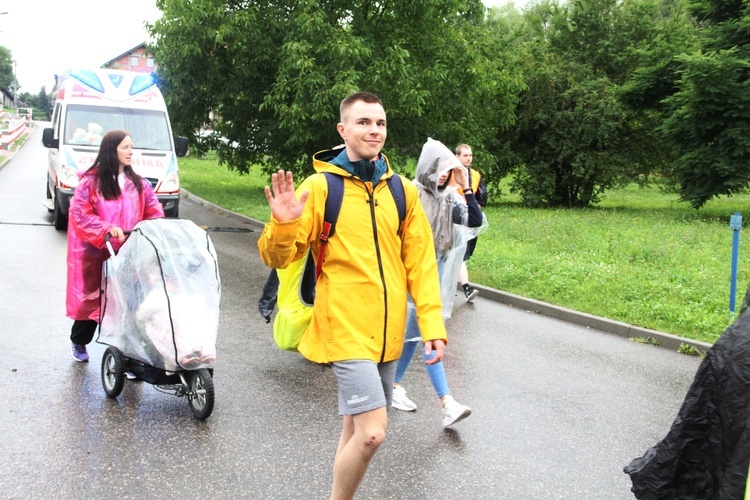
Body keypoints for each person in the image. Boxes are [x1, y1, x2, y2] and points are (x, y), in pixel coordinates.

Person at [257, 92, 448, 500]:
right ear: (343, 130)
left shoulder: (402, 192)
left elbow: (421, 264)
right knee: (373, 434)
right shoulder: (321, 187)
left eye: (379, 123)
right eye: (363, 122)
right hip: (343, 327)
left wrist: (432, 324)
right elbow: (278, 256)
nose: (373, 130)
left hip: (388, 331)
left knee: (355, 429)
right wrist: (283, 223)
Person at [390, 138, 483, 427]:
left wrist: (465, 186)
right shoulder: (409, 195)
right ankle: (447, 402)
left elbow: (475, 220)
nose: (443, 174)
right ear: (427, 167)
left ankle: (392, 385)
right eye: (440, 168)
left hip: (434, 278)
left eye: (448, 169)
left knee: (416, 333)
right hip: (409, 276)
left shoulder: (449, 198)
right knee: (426, 333)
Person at [67, 129, 164, 364]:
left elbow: (153, 211)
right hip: (96, 252)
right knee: (92, 300)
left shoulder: (138, 184)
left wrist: (152, 228)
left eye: (131, 146)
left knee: (131, 302)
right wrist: (105, 228)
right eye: (125, 147)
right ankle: (79, 340)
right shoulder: (90, 183)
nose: (131, 152)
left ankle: (130, 355)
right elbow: (80, 214)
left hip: (130, 252)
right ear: (112, 150)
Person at [455, 143, 486, 302]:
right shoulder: (450, 173)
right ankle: (465, 287)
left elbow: (481, 198)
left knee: (461, 254)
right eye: (465, 155)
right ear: (457, 156)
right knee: (455, 254)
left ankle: (454, 283)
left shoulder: (475, 175)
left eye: (470, 155)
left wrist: (473, 208)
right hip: (451, 220)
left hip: (468, 222)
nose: (469, 158)